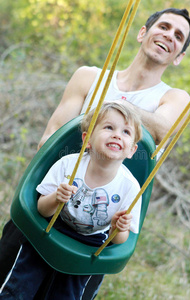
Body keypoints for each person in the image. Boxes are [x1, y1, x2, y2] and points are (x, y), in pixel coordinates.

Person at [0, 7, 190, 298]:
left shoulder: (172, 97)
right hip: (51, 205)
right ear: (143, 32)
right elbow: (51, 139)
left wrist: (113, 109)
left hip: (97, 230)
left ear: (179, 57)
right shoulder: (90, 77)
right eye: (164, 26)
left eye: (179, 36)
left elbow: (162, 129)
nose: (169, 35)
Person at [0, 101, 143, 299]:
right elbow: (41, 209)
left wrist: (119, 227)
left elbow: (119, 240)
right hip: (53, 225)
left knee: (67, 294)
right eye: (109, 127)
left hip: (92, 241)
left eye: (126, 132)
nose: (117, 135)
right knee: (19, 288)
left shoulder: (130, 187)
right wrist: (56, 199)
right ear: (87, 139)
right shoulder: (68, 165)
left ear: (131, 150)